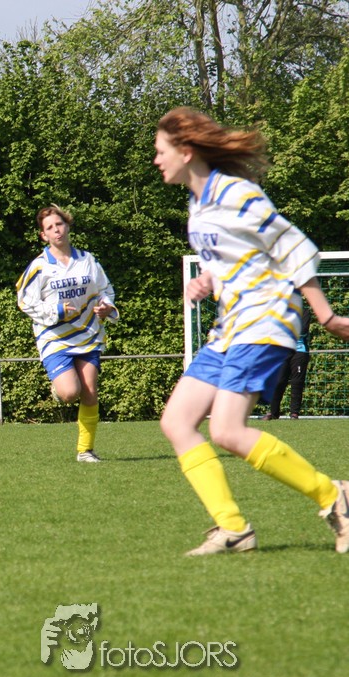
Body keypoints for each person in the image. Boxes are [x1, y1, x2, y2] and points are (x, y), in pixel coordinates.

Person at [153, 106, 349, 556]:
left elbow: (292, 247)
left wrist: (325, 314)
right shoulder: (198, 204)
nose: (157, 159)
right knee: (177, 422)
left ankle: (334, 496)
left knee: (226, 430)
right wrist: (208, 280)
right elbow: (234, 257)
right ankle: (233, 528)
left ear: (186, 151)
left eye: (161, 150)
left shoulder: (236, 193)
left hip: (265, 318)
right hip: (231, 326)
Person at [16, 205, 118, 463]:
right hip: (54, 337)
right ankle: (59, 390)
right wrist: (56, 311)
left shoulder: (87, 260)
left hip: (88, 332)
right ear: (43, 235)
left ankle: (85, 451)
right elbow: (24, 301)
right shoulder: (39, 266)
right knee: (70, 393)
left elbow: (106, 290)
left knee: (90, 391)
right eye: (50, 227)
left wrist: (106, 307)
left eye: (59, 224)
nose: (56, 230)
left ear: (68, 226)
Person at [264, 306, 312, 420]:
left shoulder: (304, 311)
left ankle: (294, 413)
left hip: (300, 351)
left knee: (297, 382)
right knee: (278, 381)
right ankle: (273, 413)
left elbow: (303, 331)